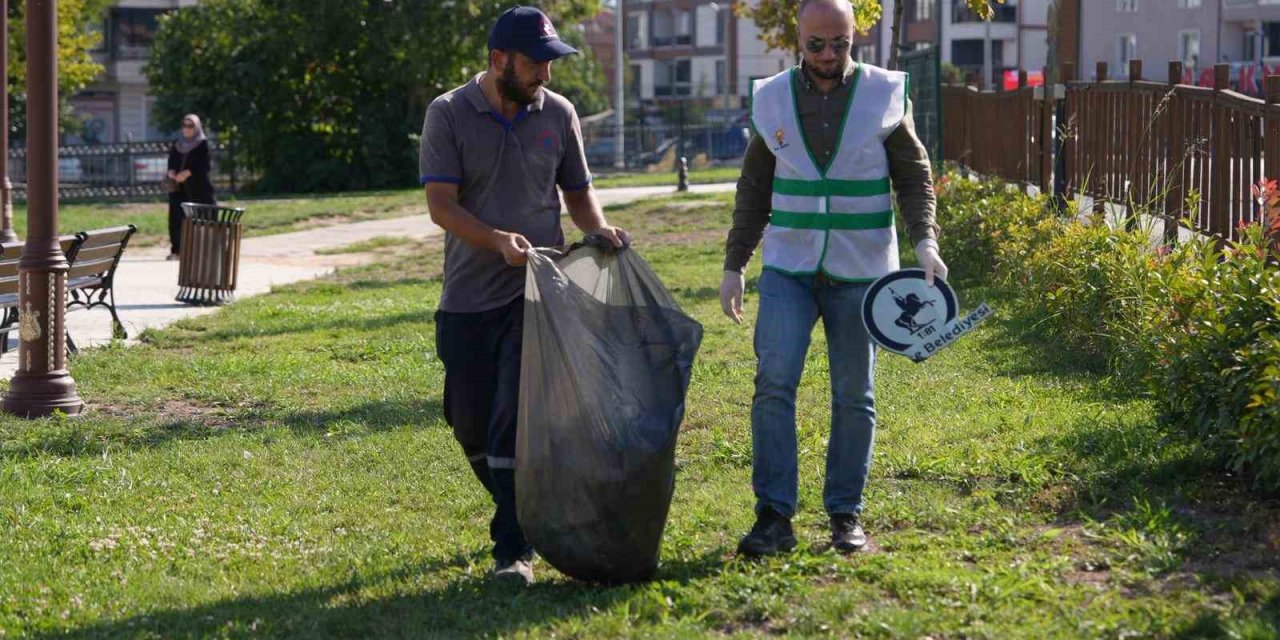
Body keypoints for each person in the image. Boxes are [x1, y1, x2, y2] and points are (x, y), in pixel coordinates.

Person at [719, 0, 947, 557]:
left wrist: (926, 241)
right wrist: (734, 264)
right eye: (816, 44)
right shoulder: (772, 96)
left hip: (861, 270)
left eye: (839, 43)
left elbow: (913, 175)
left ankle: (846, 514)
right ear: (798, 39)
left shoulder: (883, 94)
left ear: (854, 37)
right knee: (774, 385)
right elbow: (754, 188)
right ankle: (774, 517)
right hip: (788, 268)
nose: (828, 55)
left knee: (855, 395)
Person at [419, 5, 629, 585]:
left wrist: (597, 229)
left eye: (549, 63)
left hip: (538, 291)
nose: (546, 75)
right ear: (498, 60)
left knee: (513, 419)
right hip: (467, 295)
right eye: (536, 64)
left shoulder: (558, 114)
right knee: (468, 423)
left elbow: (578, 194)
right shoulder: (449, 113)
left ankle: (513, 549)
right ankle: (528, 509)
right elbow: (442, 206)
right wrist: (495, 241)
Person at [166, 114, 216, 260]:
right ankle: (178, 250)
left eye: (190, 126)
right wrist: (172, 172)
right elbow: (171, 162)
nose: (187, 129)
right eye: (184, 125)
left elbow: (205, 166)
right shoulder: (177, 144)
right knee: (176, 220)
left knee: (203, 220)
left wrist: (188, 172)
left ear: (197, 127)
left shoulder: (203, 144)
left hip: (199, 189)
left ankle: (204, 251)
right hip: (179, 189)